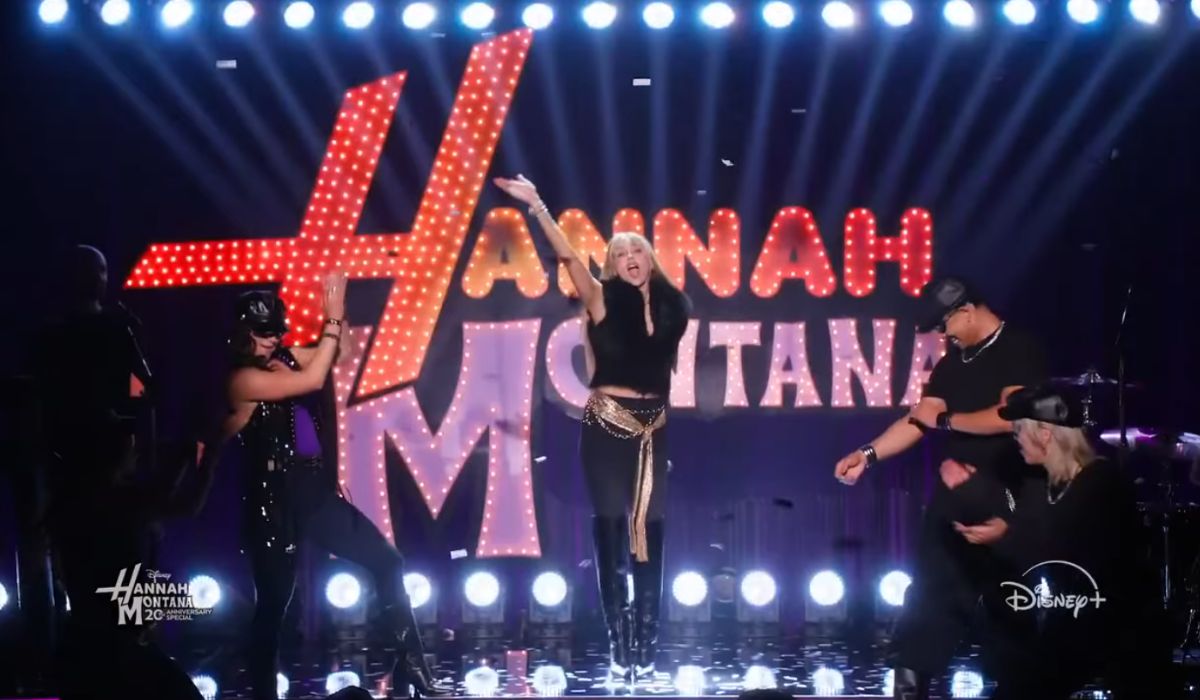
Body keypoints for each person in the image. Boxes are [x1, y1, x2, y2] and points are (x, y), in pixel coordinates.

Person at [495, 175, 691, 683]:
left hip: (654, 426)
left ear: (649, 258)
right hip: (607, 422)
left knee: (650, 530)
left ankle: (647, 638)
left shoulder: (674, 308)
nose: (629, 256)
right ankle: (618, 637)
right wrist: (538, 204)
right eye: (619, 252)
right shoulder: (601, 299)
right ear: (613, 265)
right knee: (611, 526)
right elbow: (566, 257)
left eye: (636, 249)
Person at [219, 275, 448, 700]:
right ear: (243, 332)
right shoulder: (241, 380)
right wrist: (332, 320)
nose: (274, 340)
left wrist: (339, 317)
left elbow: (337, 353)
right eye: (265, 333)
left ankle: (412, 664)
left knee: (387, 561)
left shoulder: (283, 358)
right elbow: (311, 380)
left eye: (277, 332)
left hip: (312, 491)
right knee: (274, 608)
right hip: (272, 502)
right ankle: (263, 693)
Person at [832, 277, 1048, 700]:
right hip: (954, 499)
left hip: (1004, 493)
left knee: (1009, 611)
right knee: (926, 605)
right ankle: (910, 685)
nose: (944, 335)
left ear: (966, 311)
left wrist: (949, 421)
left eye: (944, 325)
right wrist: (867, 454)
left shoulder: (1018, 349)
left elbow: (1011, 416)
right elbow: (919, 418)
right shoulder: (951, 365)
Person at [944, 385, 1170, 699]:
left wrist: (1005, 534)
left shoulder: (1101, 481)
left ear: (1045, 434)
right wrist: (979, 499)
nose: (1016, 438)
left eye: (1020, 431)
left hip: (1109, 624)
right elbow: (1027, 538)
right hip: (1065, 621)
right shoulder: (1041, 486)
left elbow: (1062, 548)